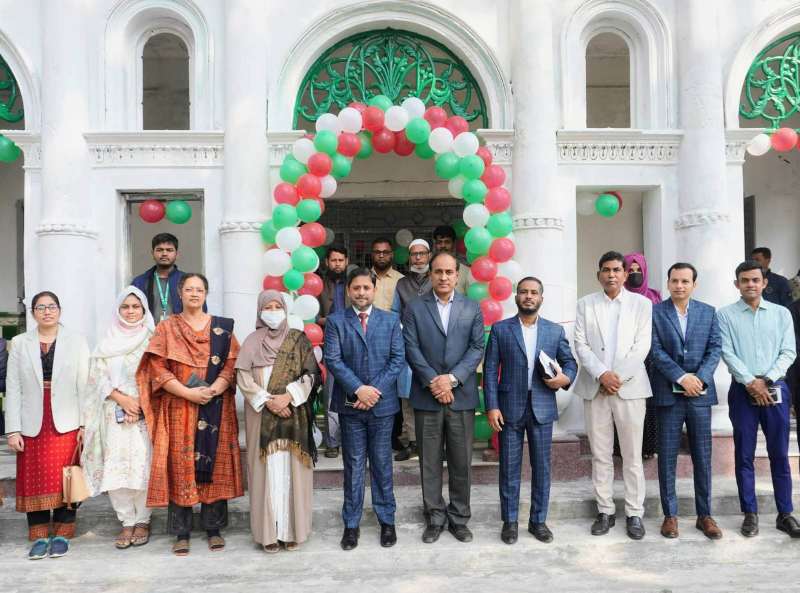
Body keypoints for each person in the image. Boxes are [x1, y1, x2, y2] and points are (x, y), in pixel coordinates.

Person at [136, 273, 243, 555]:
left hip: (216, 405)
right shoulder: (167, 327)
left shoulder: (222, 328)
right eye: (189, 289)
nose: (194, 294)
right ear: (179, 293)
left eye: (199, 290)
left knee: (215, 462)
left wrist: (216, 388)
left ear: (206, 294)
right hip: (179, 406)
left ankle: (213, 528)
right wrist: (187, 392)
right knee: (180, 464)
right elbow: (157, 368)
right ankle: (181, 532)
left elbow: (232, 364)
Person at [484, 277, 577, 545]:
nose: (528, 296)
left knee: (542, 468)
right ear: (516, 297)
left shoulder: (554, 331)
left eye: (533, 292)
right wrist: (492, 406)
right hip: (508, 408)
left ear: (541, 298)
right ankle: (510, 522)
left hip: (542, 407)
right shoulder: (501, 329)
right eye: (523, 292)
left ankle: (538, 521)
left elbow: (570, 362)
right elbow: (490, 370)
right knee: (509, 468)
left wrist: (565, 378)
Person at [403, 251, 484, 544]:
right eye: (438, 272)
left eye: (449, 272)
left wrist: (451, 379)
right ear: (430, 274)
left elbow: (477, 347)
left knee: (461, 462)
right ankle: (435, 517)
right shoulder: (415, 308)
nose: (444, 277)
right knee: (429, 462)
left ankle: (459, 519)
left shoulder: (471, 308)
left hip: (460, 396)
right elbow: (411, 347)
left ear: (457, 275)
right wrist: (433, 381)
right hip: (427, 397)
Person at [324, 268, 406, 550]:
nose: (361, 293)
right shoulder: (336, 321)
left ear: (374, 289)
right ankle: (351, 524)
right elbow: (333, 359)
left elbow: (397, 359)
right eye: (356, 288)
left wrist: (373, 391)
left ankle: (387, 521)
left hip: (382, 406)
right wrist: (358, 389)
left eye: (366, 288)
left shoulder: (391, 320)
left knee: (382, 463)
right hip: (351, 406)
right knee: (354, 464)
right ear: (349, 290)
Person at [717, 260, 800, 538]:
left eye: (755, 280)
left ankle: (785, 513)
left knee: (779, 454)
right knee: (744, 454)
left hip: (776, 389)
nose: (750, 284)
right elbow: (727, 352)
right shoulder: (725, 315)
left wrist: (766, 380)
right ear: (737, 284)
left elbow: (788, 352)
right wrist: (750, 382)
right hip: (743, 391)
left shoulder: (781, 314)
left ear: (764, 283)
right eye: (745, 280)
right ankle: (749, 514)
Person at [573, 251, 652, 540]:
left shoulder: (642, 304)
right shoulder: (585, 304)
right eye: (606, 270)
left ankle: (634, 513)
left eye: (617, 270)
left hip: (630, 389)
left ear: (625, 274)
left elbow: (642, 345)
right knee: (601, 454)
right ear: (599, 275)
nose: (611, 275)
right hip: (596, 388)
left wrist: (616, 377)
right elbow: (580, 344)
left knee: (632, 455)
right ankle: (604, 510)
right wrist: (601, 375)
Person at [5, 291, 90, 559]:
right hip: (31, 420)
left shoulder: (76, 341)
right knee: (34, 478)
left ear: (59, 310)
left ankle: (63, 534)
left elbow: (84, 385)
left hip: (67, 420)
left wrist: (85, 424)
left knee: (67, 476)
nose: (47, 312)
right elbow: (13, 387)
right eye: (40, 308)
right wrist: (13, 429)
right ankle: (39, 536)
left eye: (51, 306)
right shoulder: (20, 343)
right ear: (33, 313)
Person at [236, 290, 321, 553]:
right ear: (259, 311)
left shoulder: (298, 339)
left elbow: (311, 375)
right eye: (268, 307)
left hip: (294, 414)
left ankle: (293, 530)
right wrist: (268, 401)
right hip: (261, 415)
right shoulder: (251, 342)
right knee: (265, 472)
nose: (273, 312)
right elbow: (243, 378)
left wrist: (289, 397)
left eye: (277, 306)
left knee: (293, 469)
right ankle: (269, 532)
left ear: (285, 309)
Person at [649, 263, 723, 540]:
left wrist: (699, 379)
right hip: (669, 394)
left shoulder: (708, 312)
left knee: (702, 457)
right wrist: (681, 377)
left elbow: (715, 348)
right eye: (675, 281)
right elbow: (655, 350)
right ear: (668, 283)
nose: (679, 286)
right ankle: (670, 516)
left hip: (699, 395)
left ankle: (705, 515)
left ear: (694, 284)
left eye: (685, 281)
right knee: (667, 457)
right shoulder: (656, 312)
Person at [81, 286, 155, 549]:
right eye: (125, 307)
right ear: (118, 310)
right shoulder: (107, 341)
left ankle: (143, 520)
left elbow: (159, 375)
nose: (131, 311)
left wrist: (140, 404)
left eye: (136, 307)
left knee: (142, 465)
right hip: (113, 413)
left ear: (144, 310)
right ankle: (126, 521)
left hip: (146, 413)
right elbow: (96, 377)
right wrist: (122, 399)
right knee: (117, 468)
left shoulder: (153, 339)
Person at [392, 238, 433, 461]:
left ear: (429, 256)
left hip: (434, 347)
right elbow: (394, 313)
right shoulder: (402, 284)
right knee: (407, 397)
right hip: (407, 346)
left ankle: (433, 445)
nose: (418, 258)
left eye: (422, 253)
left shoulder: (436, 279)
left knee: (433, 394)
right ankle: (413, 443)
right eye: (414, 254)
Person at [623, 252, 661, 459]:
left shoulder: (655, 297)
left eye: (639, 270)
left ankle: (649, 446)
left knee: (649, 403)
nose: (635, 274)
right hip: (625, 357)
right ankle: (622, 449)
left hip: (652, 358)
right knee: (625, 404)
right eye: (630, 270)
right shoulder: (620, 297)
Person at [318, 245, 349, 458]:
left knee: (354, 390)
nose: (337, 264)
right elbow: (313, 316)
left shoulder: (353, 283)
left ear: (346, 261)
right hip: (327, 343)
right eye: (333, 260)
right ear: (327, 262)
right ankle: (332, 442)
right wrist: (332, 320)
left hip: (353, 342)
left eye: (340, 260)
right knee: (330, 394)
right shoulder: (318, 285)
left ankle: (352, 440)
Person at [132, 233, 196, 322]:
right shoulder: (140, 282)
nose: (164, 253)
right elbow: (131, 311)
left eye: (169, 250)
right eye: (159, 250)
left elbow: (199, 312)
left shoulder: (188, 282)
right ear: (152, 253)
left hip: (181, 330)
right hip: (150, 330)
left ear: (177, 254)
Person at [432, 225, 470, 294]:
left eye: (447, 242)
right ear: (435, 244)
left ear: (454, 243)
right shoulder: (428, 271)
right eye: (439, 242)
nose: (443, 246)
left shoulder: (465, 271)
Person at [370, 237, 404, 312]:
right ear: (372, 255)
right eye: (377, 252)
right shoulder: (363, 279)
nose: (381, 256)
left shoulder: (401, 280)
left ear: (392, 254)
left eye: (385, 252)